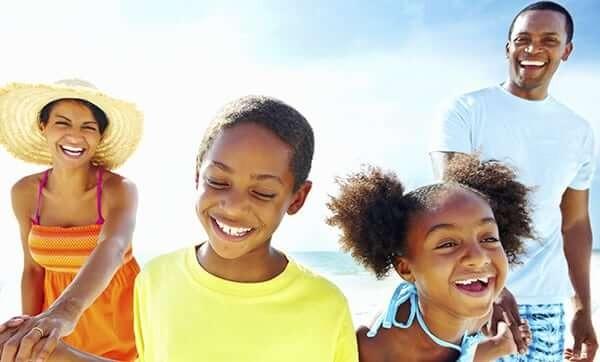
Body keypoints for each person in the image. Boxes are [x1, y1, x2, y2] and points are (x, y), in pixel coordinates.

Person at [1, 95, 359, 362]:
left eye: (262, 192)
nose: (233, 206)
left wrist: (63, 315)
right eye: (218, 181)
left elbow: (112, 247)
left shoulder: (326, 305)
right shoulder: (156, 279)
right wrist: (43, 347)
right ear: (196, 175)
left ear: (297, 198)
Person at [429, 2, 597, 361]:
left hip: (545, 307)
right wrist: (492, 286)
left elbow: (576, 223)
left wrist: (583, 307)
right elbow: (450, 205)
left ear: (566, 50)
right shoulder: (465, 111)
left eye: (549, 40)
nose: (533, 49)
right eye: (523, 39)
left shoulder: (578, 131)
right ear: (508, 47)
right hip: (470, 296)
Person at [327, 154, 533, 361]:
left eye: (488, 238)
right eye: (448, 244)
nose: (479, 258)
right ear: (405, 268)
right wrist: (496, 348)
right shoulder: (378, 349)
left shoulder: (480, 302)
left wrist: (500, 294)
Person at [0, 79, 143, 361]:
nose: (75, 136)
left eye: (88, 127)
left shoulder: (119, 189)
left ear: (100, 136)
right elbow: (33, 270)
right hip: (57, 326)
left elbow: (113, 248)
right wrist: (29, 331)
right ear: (44, 126)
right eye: (62, 123)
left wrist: (65, 312)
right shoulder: (25, 193)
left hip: (120, 324)